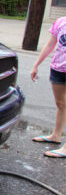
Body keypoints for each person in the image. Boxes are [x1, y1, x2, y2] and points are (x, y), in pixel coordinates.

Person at [30, 16, 66, 158]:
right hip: (58, 68)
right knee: (61, 104)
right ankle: (56, 136)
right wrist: (35, 65)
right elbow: (50, 44)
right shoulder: (61, 22)